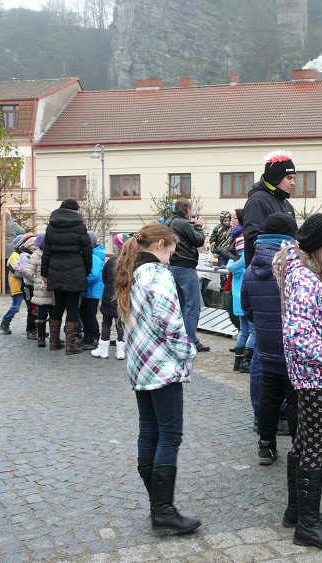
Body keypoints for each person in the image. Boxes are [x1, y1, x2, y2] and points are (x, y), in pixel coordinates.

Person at [113, 222, 201, 535]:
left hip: (140, 365)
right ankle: (163, 509)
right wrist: (188, 353)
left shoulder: (131, 273)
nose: (172, 257)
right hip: (162, 366)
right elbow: (171, 323)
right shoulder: (157, 275)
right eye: (172, 250)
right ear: (162, 244)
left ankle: (158, 506)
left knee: (149, 431)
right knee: (169, 434)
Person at [276, 213, 322, 551]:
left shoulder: (309, 273)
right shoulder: (306, 279)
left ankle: (298, 510)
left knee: (305, 440)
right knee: (314, 445)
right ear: (317, 245)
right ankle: (306, 526)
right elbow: (297, 335)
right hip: (314, 374)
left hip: (312, 372)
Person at [241, 213, 300, 467]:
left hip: (265, 342)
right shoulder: (294, 266)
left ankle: (266, 447)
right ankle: (301, 451)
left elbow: (247, 308)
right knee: (297, 399)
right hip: (291, 345)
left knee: (268, 397)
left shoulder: (251, 267)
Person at [41, 199, 92, 355]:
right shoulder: (79, 226)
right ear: (75, 211)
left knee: (58, 305)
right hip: (75, 268)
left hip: (55, 267)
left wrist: (44, 273)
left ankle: (54, 342)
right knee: (72, 307)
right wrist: (87, 270)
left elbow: (46, 251)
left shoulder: (51, 226)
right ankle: (71, 345)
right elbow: (87, 250)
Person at [165, 198, 210, 352]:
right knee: (193, 306)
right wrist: (198, 227)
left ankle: (182, 337)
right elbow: (198, 241)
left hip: (173, 266)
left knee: (181, 305)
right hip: (186, 267)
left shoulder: (169, 222)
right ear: (187, 211)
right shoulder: (183, 223)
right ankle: (190, 340)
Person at [243, 150, 297, 267]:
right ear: (276, 177)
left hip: (283, 271)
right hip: (263, 272)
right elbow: (252, 238)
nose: (293, 183)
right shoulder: (258, 200)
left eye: (293, 178)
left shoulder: (286, 204)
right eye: (289, 178)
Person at [92, 233, 129, 360]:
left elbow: (104, 276)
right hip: (123, 297)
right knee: (120, 323)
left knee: (106, 322)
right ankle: (120, 351)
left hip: (109, 295)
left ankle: (103, 350)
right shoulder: (131, 261)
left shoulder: (112, 260)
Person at [228, 209, 255, 372]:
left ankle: (237, 363)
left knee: (244, 330)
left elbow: (232, 266)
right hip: (247, 299)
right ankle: (247, 361)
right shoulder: (245, 261)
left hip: (238, 300)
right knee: (253, 331)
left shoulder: (236, 263)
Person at [20, 233, 53, 348]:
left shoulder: (53, 254)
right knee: (42, 313)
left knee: (54, 314)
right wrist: (20, 269)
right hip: (41, 290)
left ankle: (54, 338)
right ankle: (41, 337)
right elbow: (29, 272)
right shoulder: (36, 256)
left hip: (53, 289)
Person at [78, 231, 106, 351]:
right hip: (89, 291)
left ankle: (94, 338)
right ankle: (87, 336)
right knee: (83, 313)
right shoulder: (93, 255)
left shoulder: (94, 257)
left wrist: (82, 282)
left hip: (93, 292)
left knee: (90, 315)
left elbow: (93, 275)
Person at [0, 234, 27, 335]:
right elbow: (17, 272)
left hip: (25, 287)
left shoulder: (21, 255)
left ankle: (32, 327)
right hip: (18, 287)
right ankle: (5, 323)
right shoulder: (14, 256)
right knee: (15, 307)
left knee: (32, 307)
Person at [209, 210, 233, 286]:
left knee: (230, 270)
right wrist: (214, 252)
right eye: (225, 221)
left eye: (228, 220)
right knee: (222, 271)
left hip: (230, 253)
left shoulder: (232, 229)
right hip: (221, 254)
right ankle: (223, 285)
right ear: (221, 220)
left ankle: (230, 285)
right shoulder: (218, 229)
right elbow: (212, 241)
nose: (227, 222)